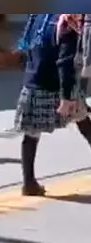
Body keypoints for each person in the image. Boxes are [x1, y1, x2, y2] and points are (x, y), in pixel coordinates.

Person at [14, 14, 91, 197]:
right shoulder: (67, 21)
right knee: (84, 123)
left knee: (31, 133)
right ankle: (29, 183)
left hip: (34, 79)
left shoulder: (38, 16)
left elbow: (26, 46)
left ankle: (29, 182)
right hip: (57, 84)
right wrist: (66, 97)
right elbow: (65, 61)